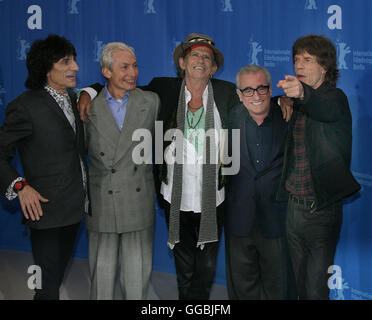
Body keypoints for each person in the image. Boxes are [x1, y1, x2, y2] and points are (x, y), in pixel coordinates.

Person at [78, 33, 240, 300]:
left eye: (207, 58)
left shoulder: (226, 93)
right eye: (195, 56)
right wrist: (88, 91)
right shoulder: (163, 89)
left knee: (208, 264)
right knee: (184, 262)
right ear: (181, 62)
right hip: (175, 193)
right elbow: (119, 86)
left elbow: (257, 101)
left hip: (214, 196)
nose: (201, 61)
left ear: (214, 68)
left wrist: (285, 101)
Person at [0, 35, 87, 300]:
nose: (76, 67)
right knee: (48, 286)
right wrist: (19, 185)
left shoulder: (76, 100)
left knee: (56, 277)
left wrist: (88, 93)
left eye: (74, 60)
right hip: (45, 211)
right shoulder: (24, 107)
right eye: (66, 61)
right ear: (46, 68)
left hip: (74, 209)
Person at [276, 34, 361, 299]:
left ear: (324, 66)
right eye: (297, 59)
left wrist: (301, 94)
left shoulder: (335, 98)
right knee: (298, 287)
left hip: (320, 211)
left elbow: (323, 107)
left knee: (314, 292)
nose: (299, 65)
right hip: (293, 208)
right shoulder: (297, 101)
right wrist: (282, 100)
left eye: (308, 59)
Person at [85, 42, 159, 300]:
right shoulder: (86, 107)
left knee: (137, 280)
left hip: (138, 202)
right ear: (106, 72)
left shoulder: (150, 101)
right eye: (124, 67)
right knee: (101, 279)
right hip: (102, 202)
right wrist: (86, 92)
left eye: (135, 66)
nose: (133, 73)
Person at [225, 65, 295, 299]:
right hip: (238, 220)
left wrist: (283, 99)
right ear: (238, 94)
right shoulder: (229, 117)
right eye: (248, 90)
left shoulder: (289, 115)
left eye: (261, 88)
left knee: (280, 290)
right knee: (242, 290)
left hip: (277, 221)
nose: (256, 95)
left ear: (270, 88)